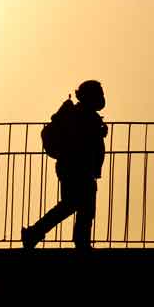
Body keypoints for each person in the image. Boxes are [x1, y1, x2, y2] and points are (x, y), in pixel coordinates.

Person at [22, 80, 107, 250]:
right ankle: (38, 233)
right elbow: (81, 140)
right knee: (76, 204)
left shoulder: (82, 113)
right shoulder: (82, 115)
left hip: (75, 166)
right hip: (76, 167)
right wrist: (98, 132)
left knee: (79, 205)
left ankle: (38, 233)